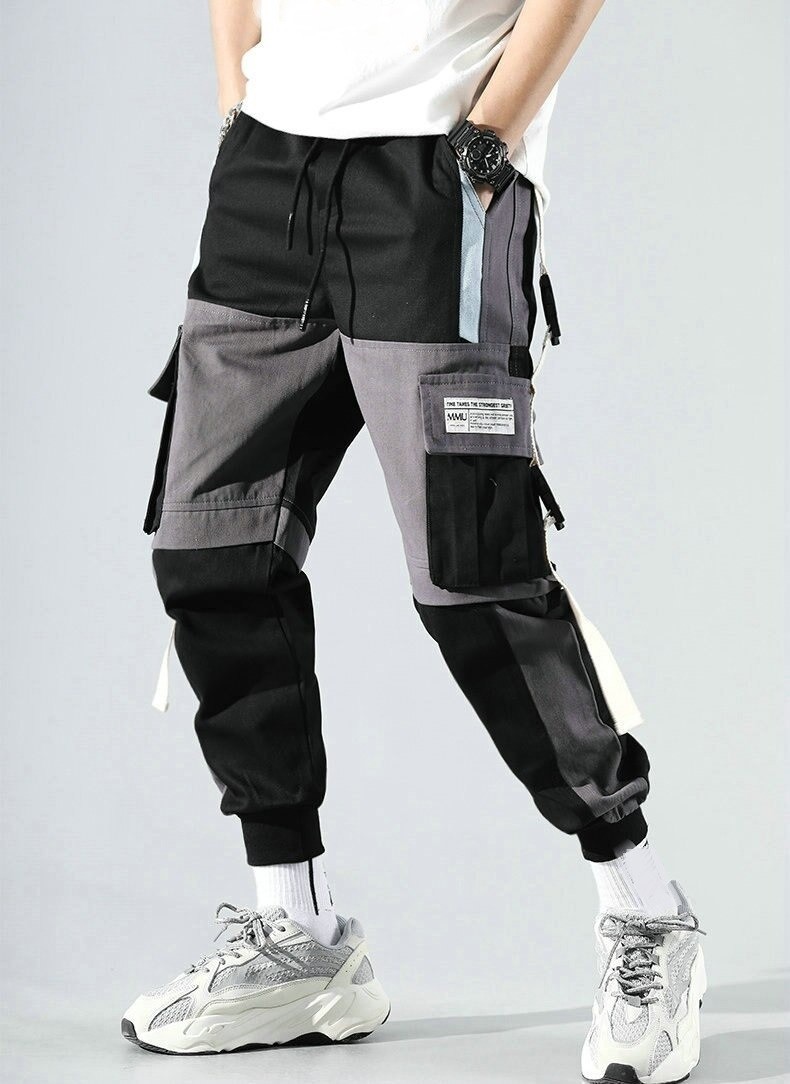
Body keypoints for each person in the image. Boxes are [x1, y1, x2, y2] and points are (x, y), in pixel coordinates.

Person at [123, 2, 706, 1080]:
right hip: (267, 174)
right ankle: (299, 935)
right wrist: (238, 94)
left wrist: (489, 137)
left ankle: (646, 909)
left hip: (437, 180)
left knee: (474, 581)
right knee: (213, 553)